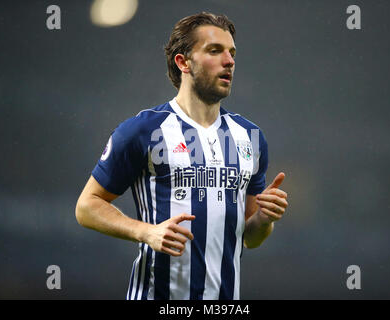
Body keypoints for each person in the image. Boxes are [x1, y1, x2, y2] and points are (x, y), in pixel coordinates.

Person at [75, 12, 289, 300]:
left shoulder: (249, 136)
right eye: (215, 51)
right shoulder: (143, 130)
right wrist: (146, 232)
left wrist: (265, 218)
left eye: (232, 52)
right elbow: (87, 207)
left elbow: (250, 239)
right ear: (183, 61)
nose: (229, 61)